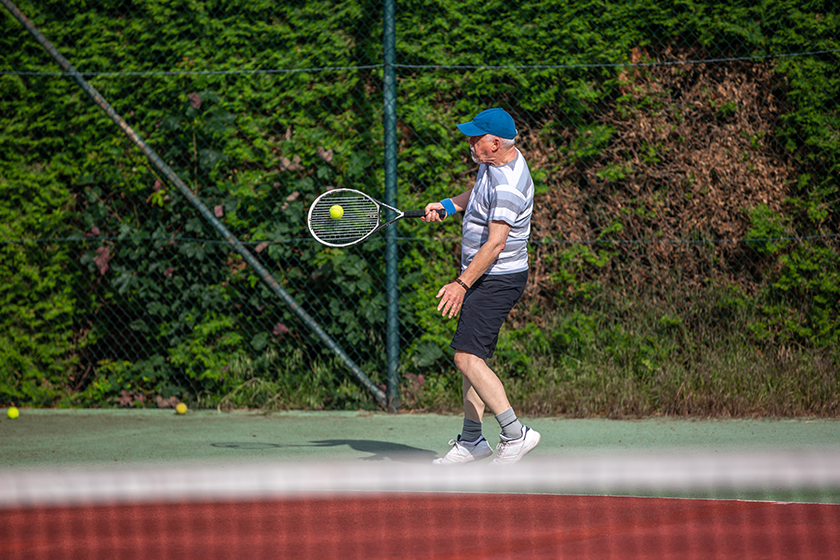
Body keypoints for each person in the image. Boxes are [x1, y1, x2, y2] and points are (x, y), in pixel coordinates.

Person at [423, 108, 540, 465]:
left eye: (476, 138)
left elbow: (496, 244)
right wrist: (449, 206)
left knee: (466, 358)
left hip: (496, 278)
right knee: (471, 356)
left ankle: (515, 433)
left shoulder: (508, 186)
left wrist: (461, 284)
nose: (470, 143)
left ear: (496, 143)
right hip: (485, 275)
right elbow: (477, 193)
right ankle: (473, 439)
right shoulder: (493, 164)